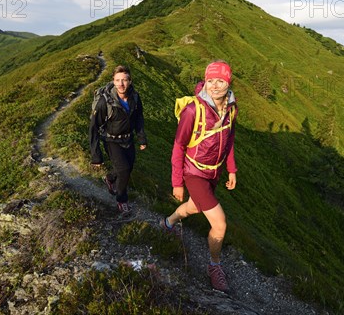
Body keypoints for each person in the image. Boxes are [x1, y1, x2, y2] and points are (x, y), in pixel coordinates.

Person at [161, 60, 238, 292]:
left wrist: (232, 168)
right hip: (194, 173)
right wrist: (177, 182)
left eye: (221, 81)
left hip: (214, 172)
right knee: (220, 224)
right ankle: (214, 266)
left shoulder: (232, 108)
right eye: (211, 80)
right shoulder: (193, 110)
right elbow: (178, 146)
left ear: (228, 82)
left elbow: (230, 139)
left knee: (194, 207)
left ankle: (168, 223)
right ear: (206, 81)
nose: (215, 86)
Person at [90, 65, 147, 215]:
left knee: (128, 167)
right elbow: (94, 128)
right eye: (117, 80)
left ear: (130, 81)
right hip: (111, 140)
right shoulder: (105, 102)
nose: (121, 84)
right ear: (113, 81)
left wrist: (141, 138)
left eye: (124, 80)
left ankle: (109, 178)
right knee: (124, 169)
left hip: (128, 139)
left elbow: (138, 117)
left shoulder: (135, 97)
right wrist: (96, 156)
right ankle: (122, 200)